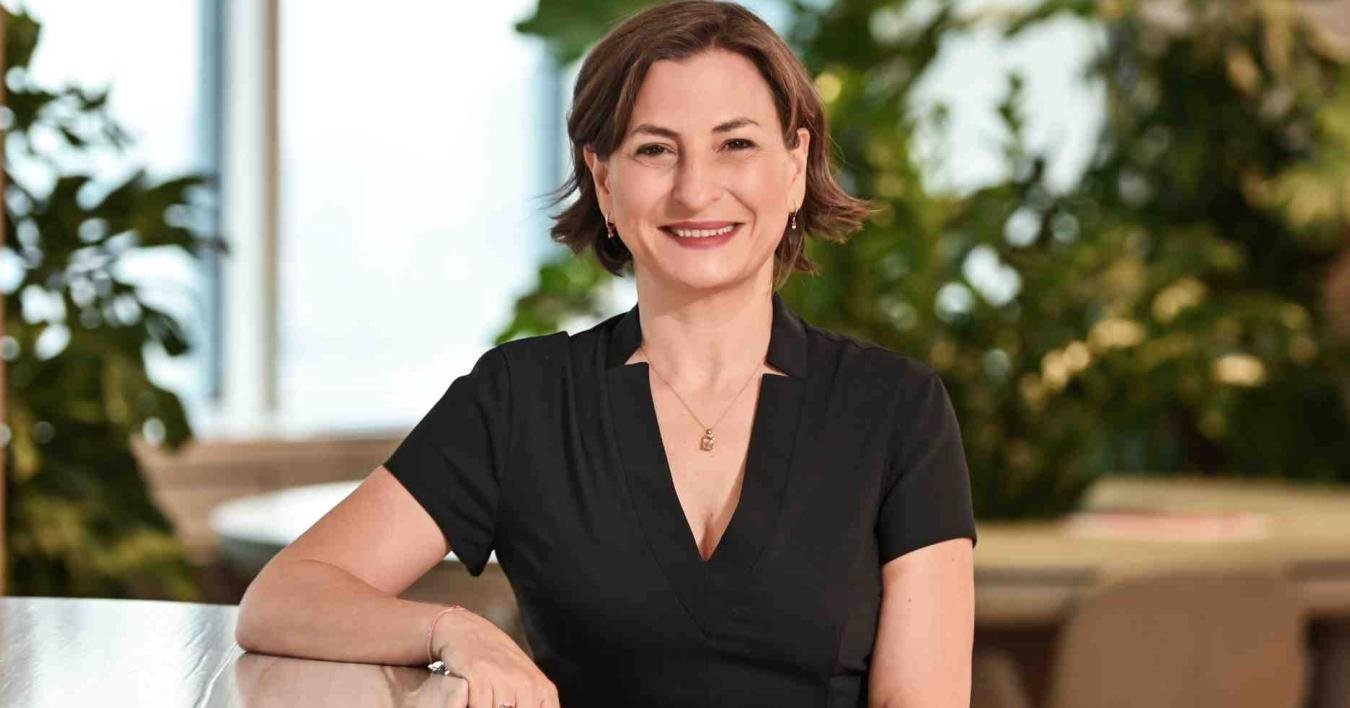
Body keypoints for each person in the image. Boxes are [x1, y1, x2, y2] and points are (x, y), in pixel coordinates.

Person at [234, 1, 978, 706]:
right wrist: (454, 630)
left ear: (793, 166)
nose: (696, 190)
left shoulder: (896, 409)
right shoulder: (522, 400)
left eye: (735, 144)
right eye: (655, 150)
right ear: (604, 178)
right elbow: (284, 597)